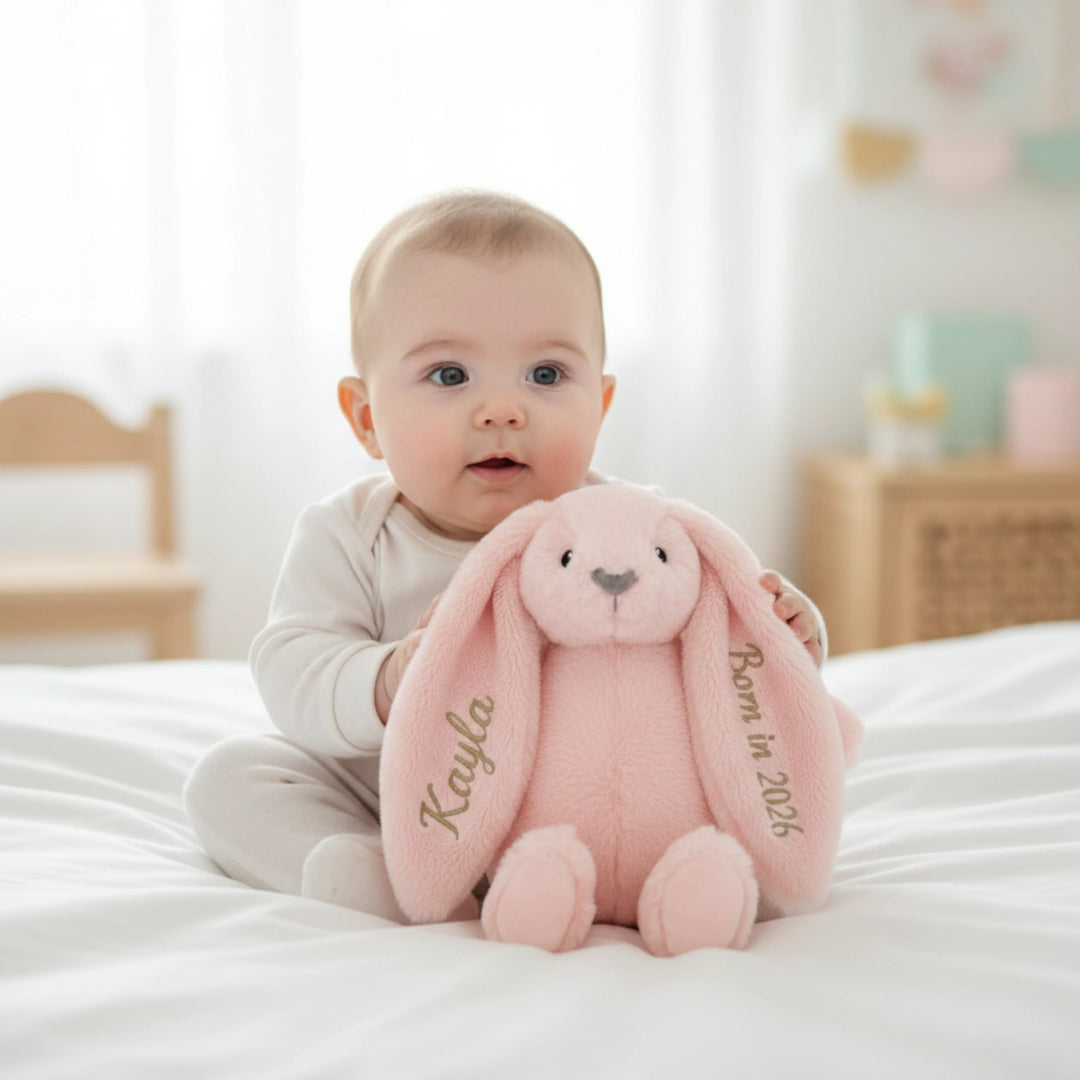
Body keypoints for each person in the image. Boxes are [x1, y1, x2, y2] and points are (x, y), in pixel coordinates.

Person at [184, 190, 826, 921]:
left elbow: (726, 651)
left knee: (733, 782)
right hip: (403, 799)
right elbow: (292, 668)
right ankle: (370, 870)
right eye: (450, 376)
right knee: (231, 775)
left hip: (583, 804)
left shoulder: (627, 530)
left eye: (546, 376)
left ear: (601, 406)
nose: (502, 410)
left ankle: (682, 874)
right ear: (367, 419)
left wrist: (788, 633)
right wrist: (386, 681)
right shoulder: (349, 533)